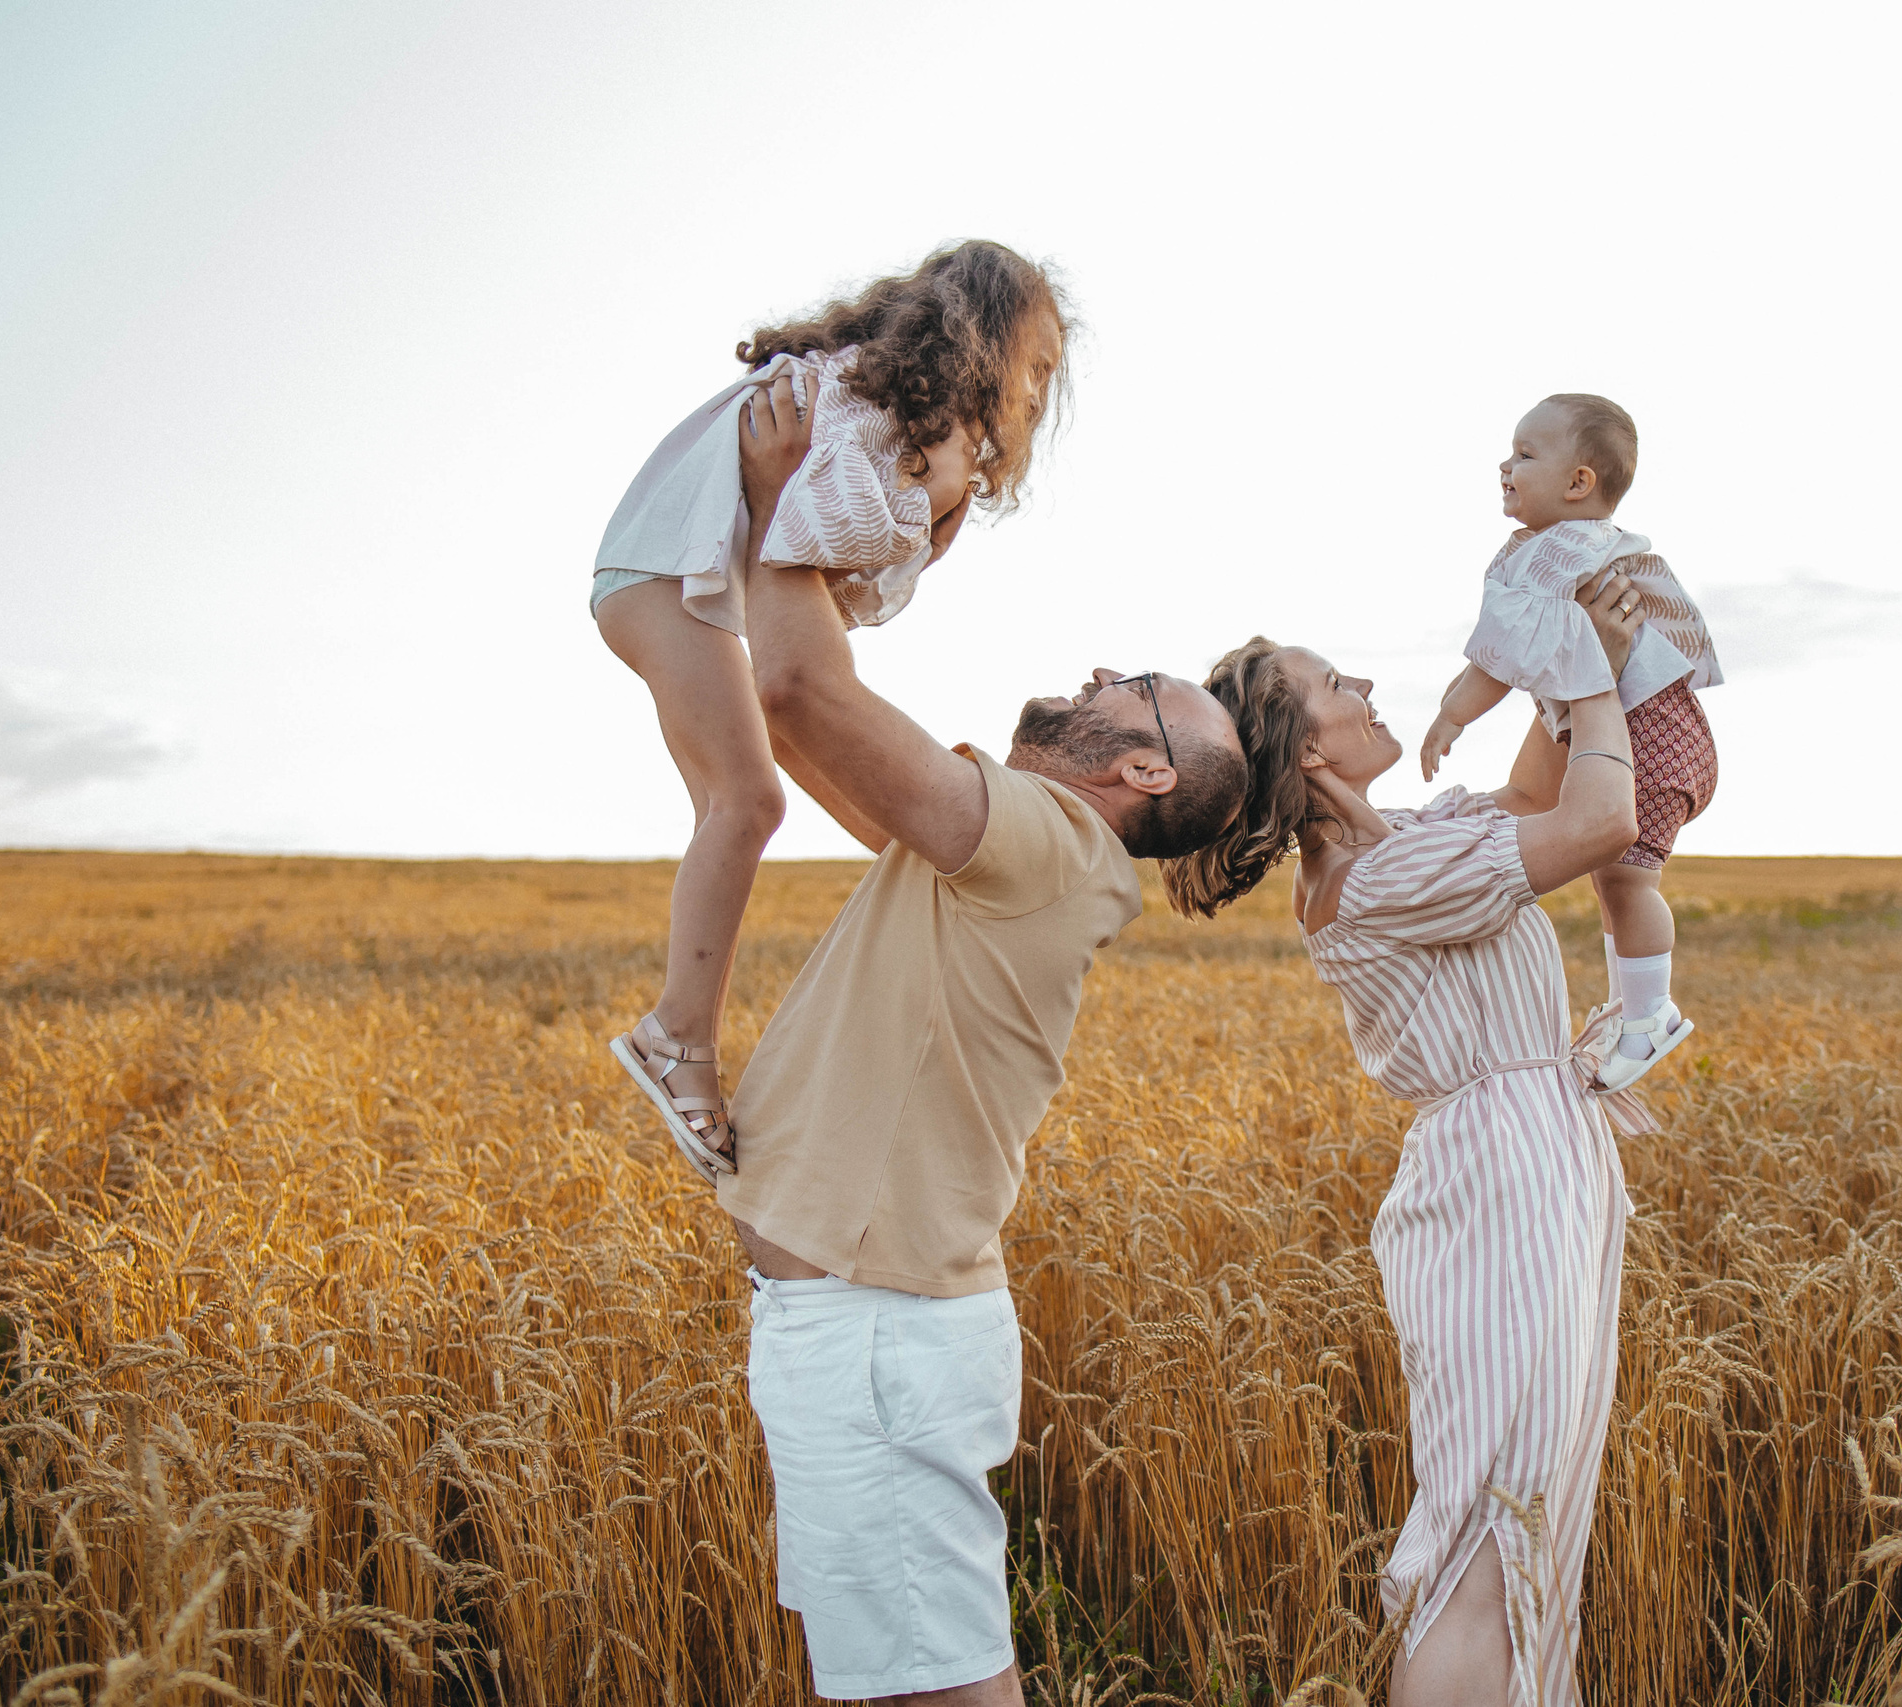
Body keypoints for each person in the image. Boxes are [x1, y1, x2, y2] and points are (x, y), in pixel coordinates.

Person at [722, 383, 1248, 1705]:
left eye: (1129, 688)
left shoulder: (1051, 846)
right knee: (899, 1681)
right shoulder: (1011, 853)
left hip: (879, 1333)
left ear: (1148, 774)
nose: (1090, 676)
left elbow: (793, 684)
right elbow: (807, 717)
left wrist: (793, 505)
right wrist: (854, 556)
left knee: (944, 1689)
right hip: (855, 1320)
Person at [1161, 570, 1660, 1707]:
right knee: (1492, 1524)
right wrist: (1583, 673)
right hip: (1499, 1184)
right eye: (1337, 683)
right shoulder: (1374, 880)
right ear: (1309, 757)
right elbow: (1599, 818)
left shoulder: (1414, 840)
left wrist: (1585, 655)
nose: (1370, 683)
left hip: (1539, 1162)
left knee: (1536, 1514)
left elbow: (1541, 786)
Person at [592, 240, 1070, 1179]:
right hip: (661, 577)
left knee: (803, 778)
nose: (1042, 391)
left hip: (672, 577)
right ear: (984, 337)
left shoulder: (883, 401)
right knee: (748, 800)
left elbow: (821, 579)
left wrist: (930, 516)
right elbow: (820, 538)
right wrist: (934, 507)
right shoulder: (891, 410)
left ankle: (919, 898)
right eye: (1039, 364)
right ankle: (676, 1037)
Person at [1419, 393, 1723, 1091]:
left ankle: (1651, 1017)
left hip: (1646, 738)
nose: (1506, 465)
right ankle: (1632, 1009)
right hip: (1666, 733)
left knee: (1626, 878)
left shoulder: (1555, 558)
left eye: (1525, 454)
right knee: (1612, 880)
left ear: (1579, 483)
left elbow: (1498, 659)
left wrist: (1451, 716)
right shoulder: (1583, 549)